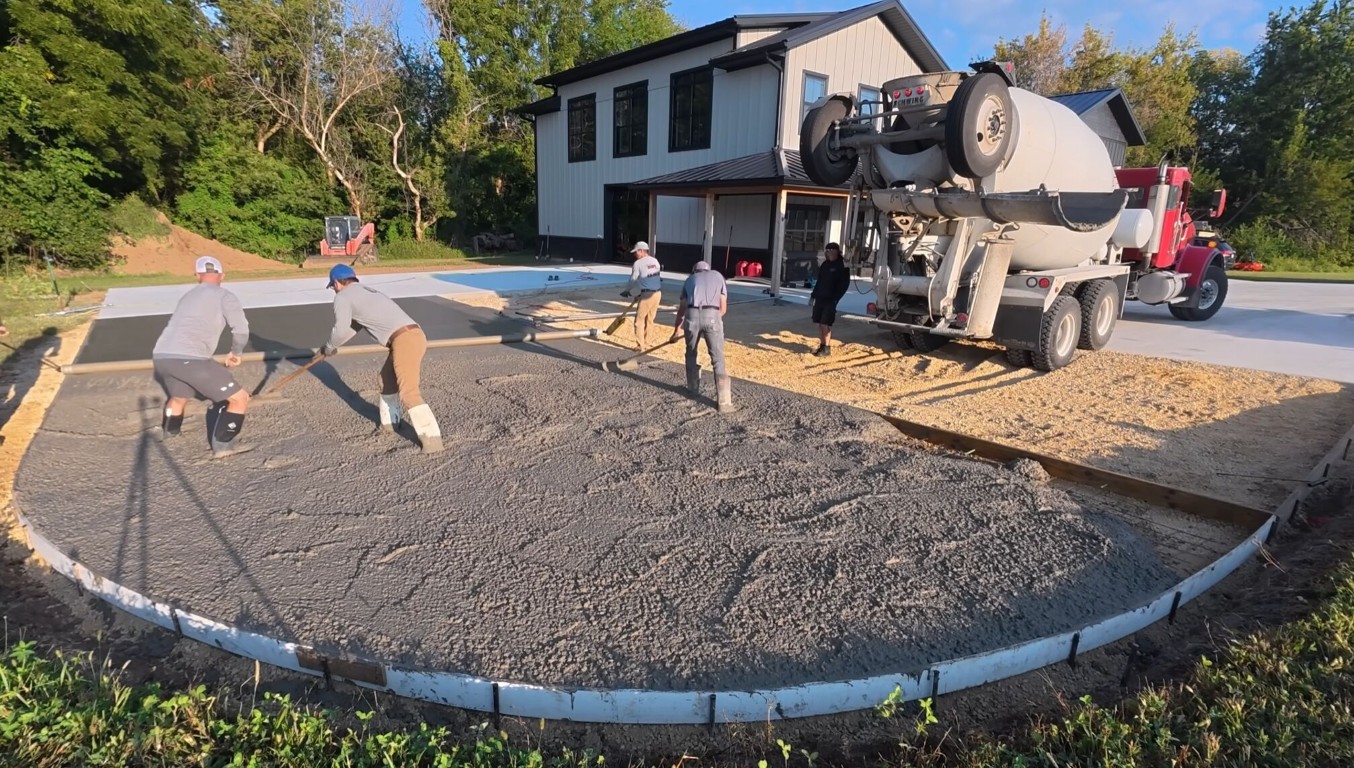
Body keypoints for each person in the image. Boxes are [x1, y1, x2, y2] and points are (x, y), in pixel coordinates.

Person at [320, 264, 444, 454]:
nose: (334, 289)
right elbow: (354, 327)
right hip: (412, 335)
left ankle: (433, 443)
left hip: (404, 340)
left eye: (333, 286)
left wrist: (329, 347)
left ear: (336, 282)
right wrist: (332, 346)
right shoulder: (367, 292)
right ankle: (391, 426)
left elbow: (342, 329)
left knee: (409, 393)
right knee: (385, 380)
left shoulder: (342, 297)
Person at [151, 256, 253, 458]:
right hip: (191, 359)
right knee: (240, 399)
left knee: (178, 397)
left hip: (162, 357)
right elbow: (241, 329)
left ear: (197, 276)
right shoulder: (225, 295)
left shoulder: (187, 296)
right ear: (222, 275)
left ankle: (170, 433)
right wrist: (236, 352)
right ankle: (223, 447)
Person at [670, 261, 732, 413]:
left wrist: (676, 331)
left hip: (691, 316)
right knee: (717, 358)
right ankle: (724, 402)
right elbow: (723, 308)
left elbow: (681, 310)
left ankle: (692, 389)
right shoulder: (718, 277)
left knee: (691, 352)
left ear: (695, 271)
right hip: (713, 315)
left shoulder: (689, 280)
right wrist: (712, 320)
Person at [810, 242, 851, 357]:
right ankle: (822, 346)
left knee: (825, 323)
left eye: (832, 250)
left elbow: (844, 285)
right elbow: (819, 281)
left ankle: (827, 348)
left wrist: (836, 298)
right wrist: (813, 294)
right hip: (820, 297)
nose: (829, 252)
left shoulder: (842, 265)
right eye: (827, 250)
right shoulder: (825, 265)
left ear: (837, 251)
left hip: (831, 299)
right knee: (819, 323)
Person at [619, 241, 662, 350]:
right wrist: (640, 294)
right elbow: (651, 279)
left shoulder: (638, 263)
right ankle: (647, 342)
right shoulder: (655, 261)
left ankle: (640, 345)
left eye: (636, 252)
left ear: (642, 251)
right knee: (650, 319)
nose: (634, 255)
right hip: (657, 293)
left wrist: (627, 291)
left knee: (639, 321)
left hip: (647, 295)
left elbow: (633, 279)